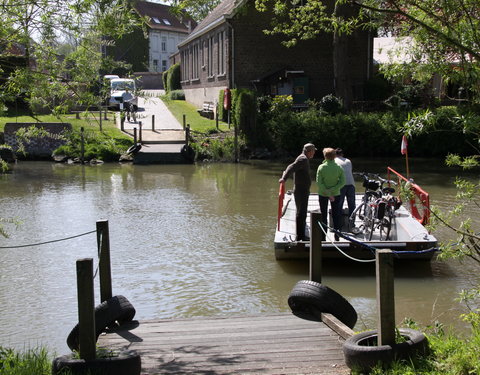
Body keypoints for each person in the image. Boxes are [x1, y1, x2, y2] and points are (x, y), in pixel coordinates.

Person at [279, 143, 317, 241]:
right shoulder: (303, 159)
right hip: (301, 191)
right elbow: (291, 167)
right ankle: (300, 237)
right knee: (301, 213)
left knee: (301, 213)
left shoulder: (303, 158)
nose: (314, 153)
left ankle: (300, 235)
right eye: (313, 151)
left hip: (303, 189)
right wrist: (284, 178)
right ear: (309, 151)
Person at [316, 147, 345, 241]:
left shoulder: (321, 167)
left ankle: (323, 236)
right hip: (336, 194)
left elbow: (319, 183)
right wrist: (333, 191)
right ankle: (337, 235)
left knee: (323, 215)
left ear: (325, 156)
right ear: (334, 156)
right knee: (336, 214)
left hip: (323, 194)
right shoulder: (338, 167)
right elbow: (342, 182)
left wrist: (328, 193)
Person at [335, 148, 356, 224]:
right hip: (351, 184)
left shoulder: (334, 161)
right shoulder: (348, 161)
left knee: (339, 205)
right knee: (352, 205)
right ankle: (351, 223)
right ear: (342, 154)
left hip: (341, 185)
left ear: (335, 154)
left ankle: (339, 223)